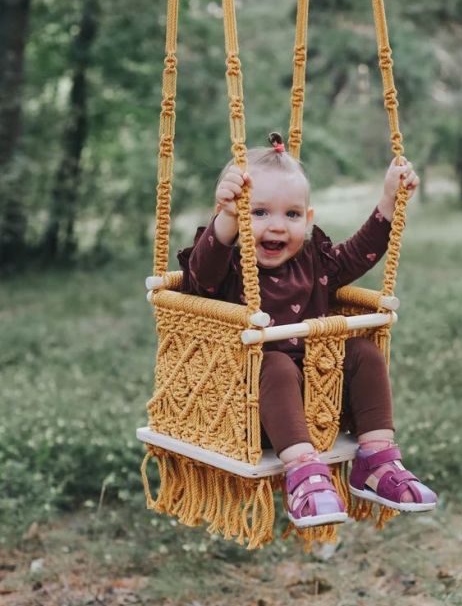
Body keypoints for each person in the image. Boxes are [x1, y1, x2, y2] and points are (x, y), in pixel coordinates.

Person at [178, 132, 437, 528]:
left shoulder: (314, 262)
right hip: (246, 402)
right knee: (277, 363)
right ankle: (303, 471)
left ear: (309, 220)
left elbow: (357, 254)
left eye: (292, 215)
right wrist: (227, 221)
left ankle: (375, 458)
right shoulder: (228, 264)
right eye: (258, 212)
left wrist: (389, 201)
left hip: (319, 400)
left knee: (363, 351)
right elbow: (199, 278)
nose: (277, 227)